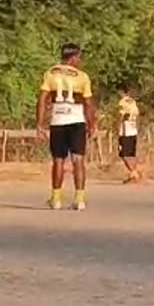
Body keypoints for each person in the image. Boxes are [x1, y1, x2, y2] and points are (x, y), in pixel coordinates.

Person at [36, 43, 96, 210]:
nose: (80, 61)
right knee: (78, 160)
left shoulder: (50, 73)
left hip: (58, 121)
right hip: (77, 121)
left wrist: (40, 124)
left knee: (58, 161)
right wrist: (92, 124)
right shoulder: (82, 76)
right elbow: (88, 103)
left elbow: (42, 100)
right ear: (73, 57)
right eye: (79, 57)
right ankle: (79, 199)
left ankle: (56, 198)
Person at [117, 90, 143, 183]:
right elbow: (137, 115)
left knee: (124, 154)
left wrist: (119, 128)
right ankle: (135, 172)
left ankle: (134, 173)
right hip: (133, 130)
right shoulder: (133, 102)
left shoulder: (123, 102)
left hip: (126, 131)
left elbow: (123, 115)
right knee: (131, 154)